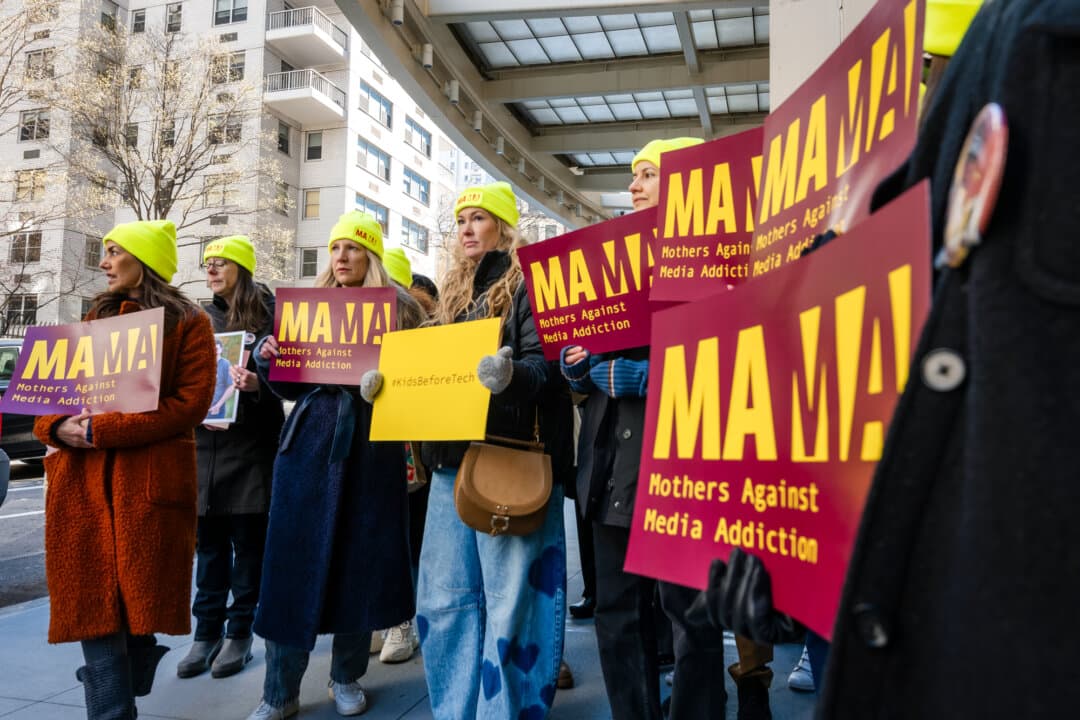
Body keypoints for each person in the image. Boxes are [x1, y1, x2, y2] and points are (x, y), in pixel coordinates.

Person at [561, 137, 774, 720]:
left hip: (680, 468)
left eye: (648, 173)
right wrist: (576, 366)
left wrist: (649, 377)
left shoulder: (728, 261)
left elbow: (742, 358)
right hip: (609, 468)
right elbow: (583, 357)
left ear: (686, 181)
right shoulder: (607, 262)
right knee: (617, 615)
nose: (632, 185)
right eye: (634, 175)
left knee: (690, 615)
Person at [376, 181, 572, 719]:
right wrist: (388, 388)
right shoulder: (450, 297)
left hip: (509, 460)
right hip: (450, 466)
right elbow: (428, 376)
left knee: (513, 603)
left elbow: (548, 368)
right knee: (443, 603)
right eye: (461, 219)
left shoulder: (533, 286)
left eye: (479, 218)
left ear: (503, 228)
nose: (466, 228)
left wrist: (510, 376)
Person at [246, 211, 425, 720]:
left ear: (371, 256)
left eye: (353, 248)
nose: (341, 257)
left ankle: (346, 676)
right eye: (335, 248)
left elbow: (416, 382)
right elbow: (287, 386)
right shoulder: (304, 308)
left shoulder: (400, 309)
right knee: (290, 571)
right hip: (308, 450)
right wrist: (267, 358)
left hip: (371, 452)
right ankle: (278, 691)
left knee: (360, 569)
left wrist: (388, 381)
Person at [34, 219, 216, 719]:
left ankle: (130, 670)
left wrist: (103, 430)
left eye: (115, 251)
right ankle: (111, 709)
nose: (104, 261)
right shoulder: (92, 317)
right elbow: (51, 397)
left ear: (145, 259)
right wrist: (58, 428)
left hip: (146, 485)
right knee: (94, 608)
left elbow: (190, 405)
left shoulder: (190, 322)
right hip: (82, 486)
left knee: (135, 611)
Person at [177, 236, 284, 680]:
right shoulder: (196, 319)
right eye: (208, 263)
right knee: (209, 548)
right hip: (205, 449)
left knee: (248, 547)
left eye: (221, 262)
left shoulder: (274, 316)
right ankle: (205, 633)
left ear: (242, 267)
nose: (212, 269)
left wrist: (259, 386)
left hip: (251, 449)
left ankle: (239, 634)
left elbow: (293, 384)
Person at [206, 339, 235, 420]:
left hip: (216, 410)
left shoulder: (225, 364)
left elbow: (231, 387)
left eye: (216, 349)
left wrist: (218, 405)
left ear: (221, 350)